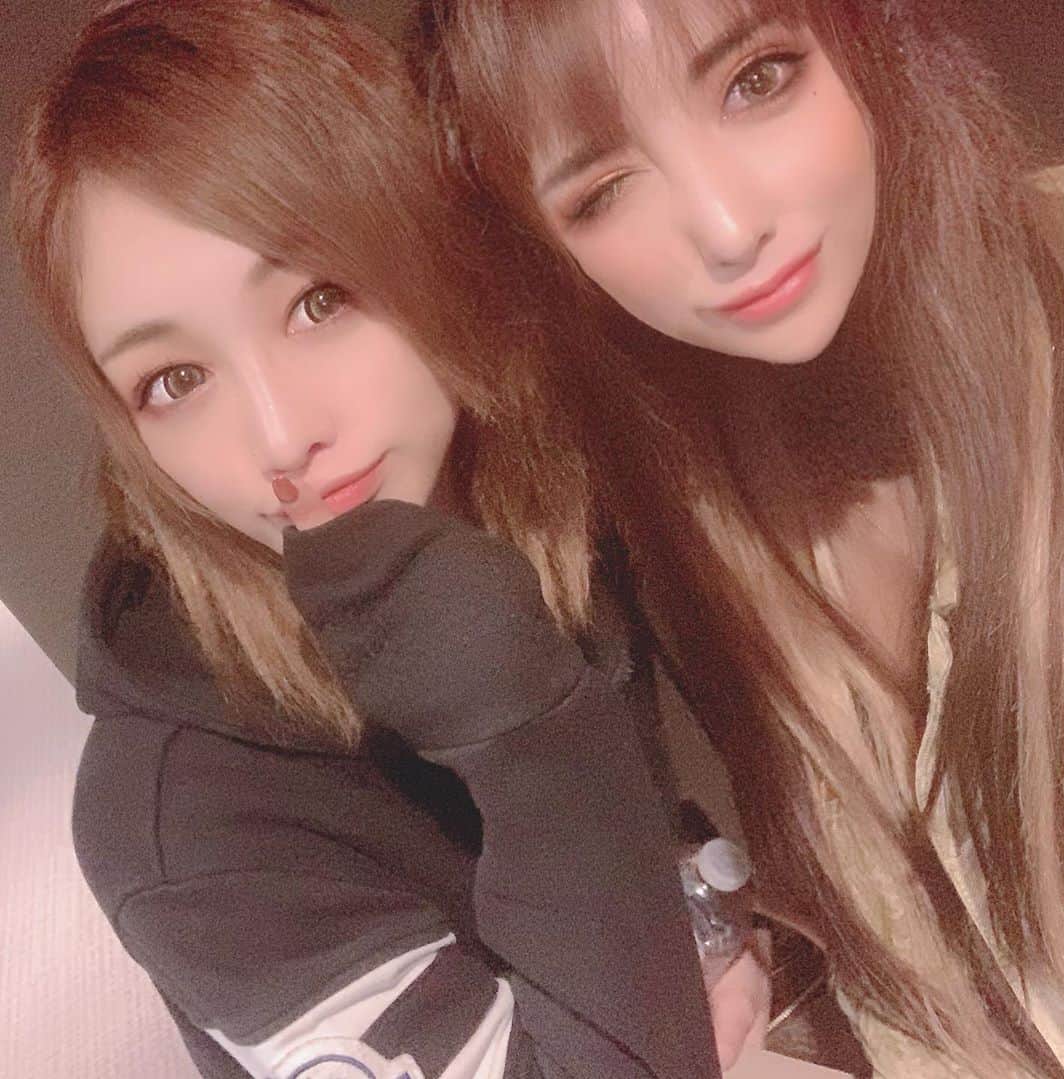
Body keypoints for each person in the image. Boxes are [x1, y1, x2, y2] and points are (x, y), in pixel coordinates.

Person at [8, 1, 727, 1075]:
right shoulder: (191, 835)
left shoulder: (534, 491)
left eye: (319, 301)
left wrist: (702, 920)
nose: (280, 435)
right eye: (175, 379)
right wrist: (533, 731)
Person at [413, 0, 1064, 1075]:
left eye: (757, 79)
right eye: (602, 190)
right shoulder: (670, 515)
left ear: (862, 33)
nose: (727, 227)